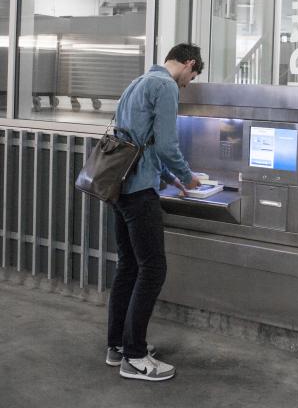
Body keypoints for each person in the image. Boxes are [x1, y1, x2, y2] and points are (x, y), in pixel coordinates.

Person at [105, 43, 203, 381]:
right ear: (189, 64)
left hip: (119, 186)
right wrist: (190, 176)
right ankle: (134, 357)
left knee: (129, 266)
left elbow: (138, 144)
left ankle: (117, 345)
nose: (185, 85)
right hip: (140, 193)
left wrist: (172, 179)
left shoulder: (138, 82)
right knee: (153, 269)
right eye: (190, 78)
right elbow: (165, 145)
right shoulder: (165, 87)